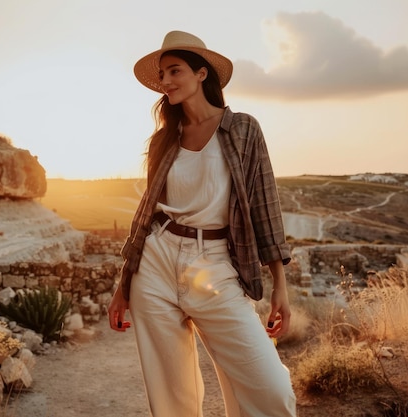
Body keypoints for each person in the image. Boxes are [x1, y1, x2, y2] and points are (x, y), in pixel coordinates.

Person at [108, 30, 297, 417]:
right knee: (171, 399)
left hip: (216, 266)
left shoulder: (243, 129)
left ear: (202, 74)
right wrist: (123, 284)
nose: (166, 81)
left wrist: (280, 285)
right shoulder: (165, 139)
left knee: (272, 392)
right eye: (162, 75)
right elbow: (146, 213)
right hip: (156, 264)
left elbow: (264, 206)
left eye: (174, 70)